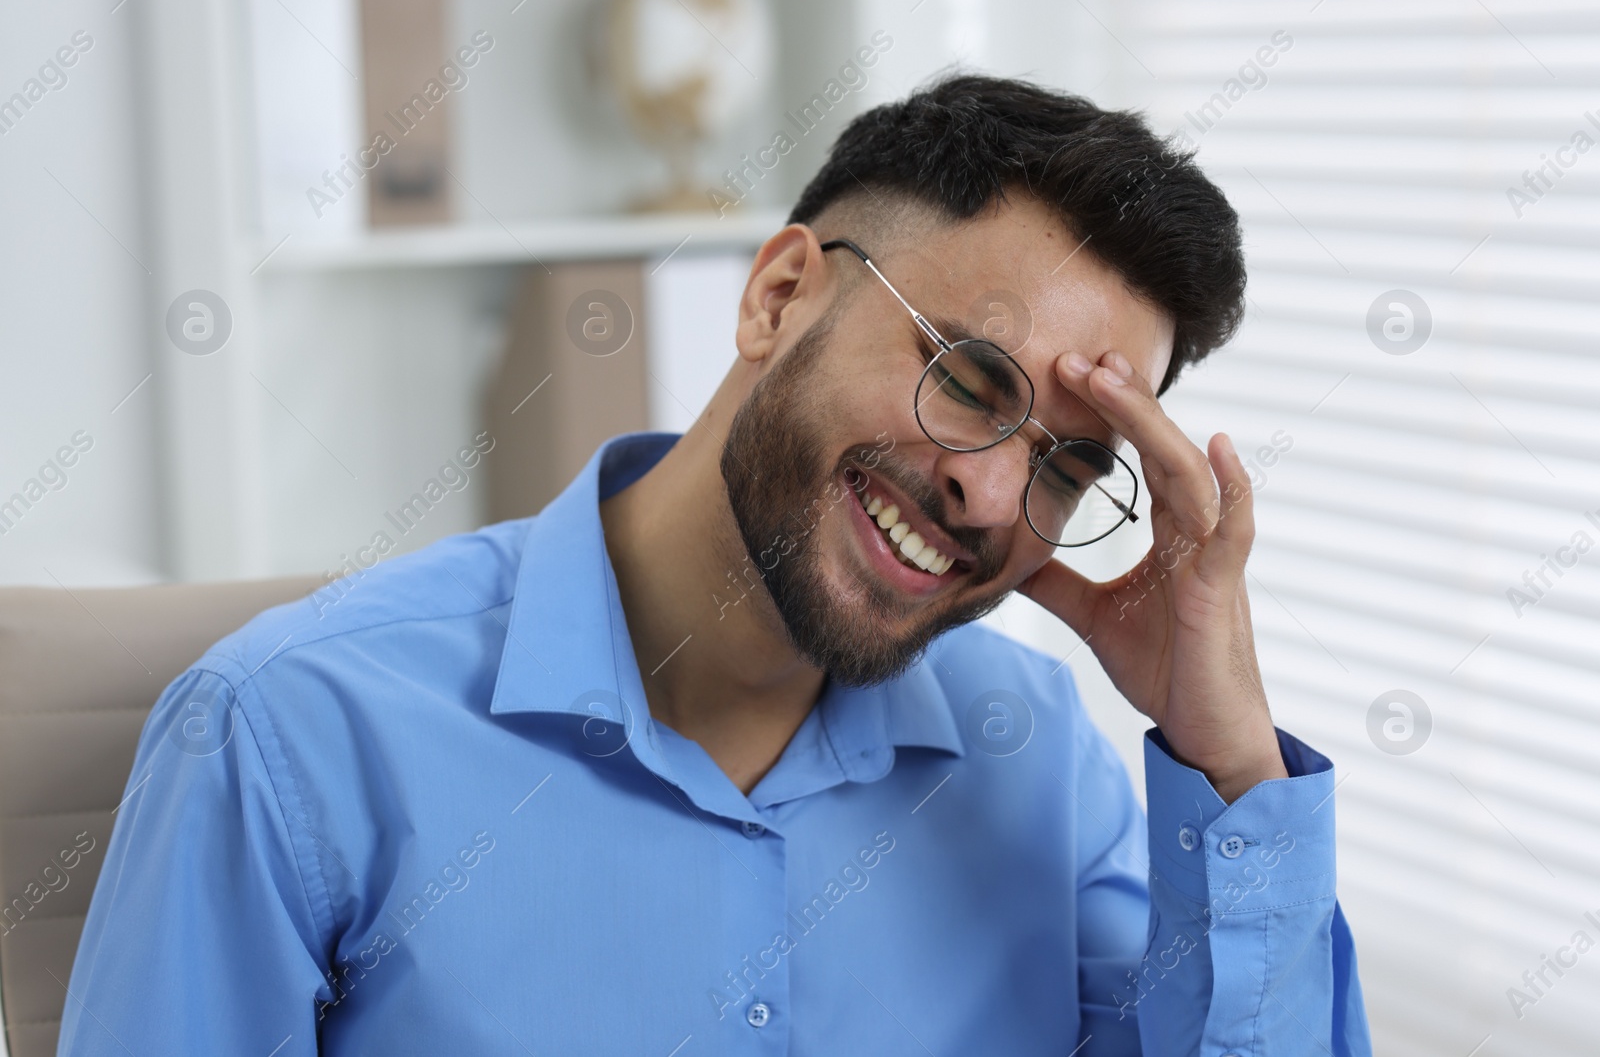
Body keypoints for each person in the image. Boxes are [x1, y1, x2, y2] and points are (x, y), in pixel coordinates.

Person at [61, 75, 1369, 1055]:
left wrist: (1229, 761)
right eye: (969, 379)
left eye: (1069, 468)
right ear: (781, 295)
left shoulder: (1033, 760)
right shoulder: (290, 736)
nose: (988, 490)